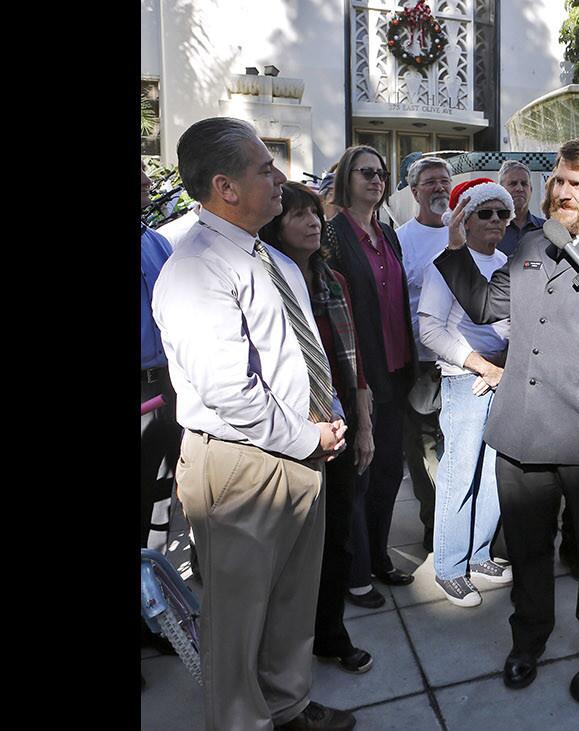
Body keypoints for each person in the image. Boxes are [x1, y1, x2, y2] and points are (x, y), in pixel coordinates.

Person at [433, 137, 579, 690]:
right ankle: (527, 641)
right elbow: (487, 306)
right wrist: (456, 247)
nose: (560, 190)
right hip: (521, 431)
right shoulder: (531, 245)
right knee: (530, 552)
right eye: (558, 179)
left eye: (575, 183)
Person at [152, 117, 354, 730]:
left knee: (292, 602)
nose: (280, 179)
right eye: (265, 169)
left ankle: (288, 707)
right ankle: (244, 722)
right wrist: (305, 436)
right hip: (240, 464)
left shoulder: (275, 259)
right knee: (237, 623)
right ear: (225, 187)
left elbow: (300, 352)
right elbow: (230, 391)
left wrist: (331, 418)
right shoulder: (196, 268)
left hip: (299, 453)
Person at [260, 181, 376, 675]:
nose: (312, 222)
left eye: (315, 214)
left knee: (337, 536)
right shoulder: (264, 281)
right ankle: (281, 648)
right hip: (287, 423)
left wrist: (364, 423)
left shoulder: (333, 279)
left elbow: (354, 364)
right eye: (298, 215)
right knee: (288, 544)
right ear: (274, 225)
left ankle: (331, 634)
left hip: (339, 418)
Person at [325, 145, 417, 608]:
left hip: (397, 368)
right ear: (346, 178)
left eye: (381, 173)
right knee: (358, 477)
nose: (377, 180)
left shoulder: (388, 233)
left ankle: (378, 556)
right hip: (359, 373)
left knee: (385, 474)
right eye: (367, 172)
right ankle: (355, 573)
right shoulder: (333, 235)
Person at [418, 177, 515, 607]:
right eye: (485, 212)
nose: (495, 220)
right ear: (464, 219)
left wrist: (505, 369)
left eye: (502, 213)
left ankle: (478, 556)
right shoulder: (445, 264)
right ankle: (450, 567)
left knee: (494, 472)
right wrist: (480, 364)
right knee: (460, 473)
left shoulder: (508, 262)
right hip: (465, 380)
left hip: (503, 378)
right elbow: (430, 330)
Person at [395, 155, 454, 552]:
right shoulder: (400, 240)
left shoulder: (464, 230)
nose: (438, 188)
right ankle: (435, 525)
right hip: (421, 363)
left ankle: (460, 522)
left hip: (465, 363)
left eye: (444, 181)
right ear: (414, 192)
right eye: (430, 182)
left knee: (459, 448)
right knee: (424, 451)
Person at [140, 159, 181, 554]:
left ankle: (158, 576)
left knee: (175, 486)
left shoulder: (157, 242)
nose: (147, 181)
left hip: (168, 382)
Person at [496, 160, 544, 258]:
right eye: (513, 184)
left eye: (524, 183)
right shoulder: (491, 229)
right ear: (500, 190)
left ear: (531, 190)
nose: (519, 188)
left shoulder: (545, 230)